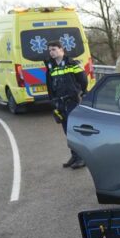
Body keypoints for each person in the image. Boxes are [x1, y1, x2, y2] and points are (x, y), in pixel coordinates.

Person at [45, 40, 88, 169]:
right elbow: (50, 85)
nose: (51, 52)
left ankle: (81, 158)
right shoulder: (51, 66)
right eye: (50, 50)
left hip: (72, 101)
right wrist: (53, 101)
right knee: (66, 131)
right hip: (60, 102)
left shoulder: (72, 63)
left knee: (73, 130)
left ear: (61, 49)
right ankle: (74, 156)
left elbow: (83, 80)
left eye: (54, 49)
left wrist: (80, 92)